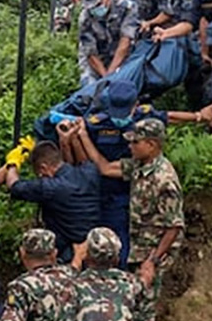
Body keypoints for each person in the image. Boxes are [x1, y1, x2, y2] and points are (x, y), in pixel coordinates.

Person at [71, 117, 183, 321]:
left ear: (151, 145)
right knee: (133, 307)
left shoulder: (165, 180)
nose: (130, 146)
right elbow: (103, 167)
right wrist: (82, 135)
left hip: (151, 255)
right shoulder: (139, 165)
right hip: (137, 250)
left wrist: (152, 261)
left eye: (135, 142)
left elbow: (174, 226)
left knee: (143, 315)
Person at [62, 80, 167, 267]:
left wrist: (201, 116)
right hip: (102, 193)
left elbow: (169, 116)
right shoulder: (96, 123)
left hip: (130, 193)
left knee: (123, 247)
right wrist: (76, 138)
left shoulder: (145, 119)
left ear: (135, 104)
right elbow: (84, 162)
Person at [2, 140, 102, 264]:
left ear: (44, 168)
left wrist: (13, 164)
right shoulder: (90, 172)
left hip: (67, 254)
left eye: (40, 173)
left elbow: (14, 186)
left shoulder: (51, 187)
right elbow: (84, 161)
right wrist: (68, 139)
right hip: (94, 248)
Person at [76, 0, 141, 84]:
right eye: (91, 7)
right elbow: (90, 53)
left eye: (97, 5)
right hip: (98, 58)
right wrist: (105, 77)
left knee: (127, 87)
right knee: (89, 86)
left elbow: (125, 42)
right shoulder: (85, 17)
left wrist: (112, 72)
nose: (94, 9)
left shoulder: (127, 7)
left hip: (124, 55)